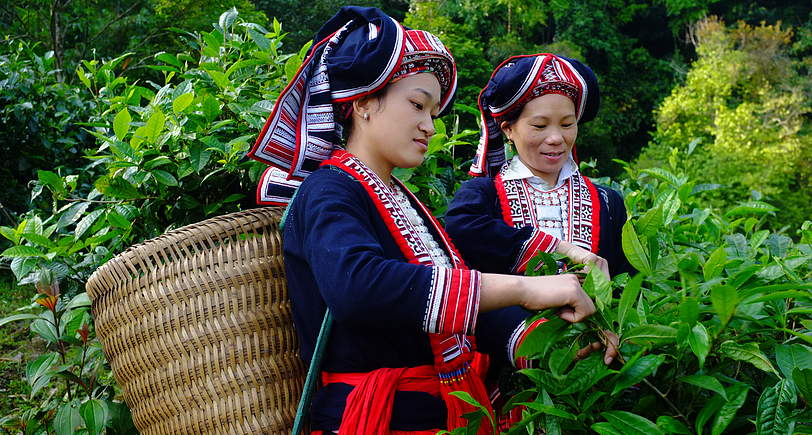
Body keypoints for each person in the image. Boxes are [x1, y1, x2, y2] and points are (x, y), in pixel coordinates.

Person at [248, 11, 612, 433]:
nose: (428, 125)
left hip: (438, 414)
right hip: (378, 419)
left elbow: (459, 312)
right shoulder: (329, 190)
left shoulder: (401, 199)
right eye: (417, 105)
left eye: (434, 113)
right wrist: (525, 286)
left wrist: (557, 344)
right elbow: (358, 285)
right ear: (364, 101)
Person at [446, 53, 633, 279]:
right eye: (539, 125)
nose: (555, 138)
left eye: (567, 124)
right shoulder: (483, 196)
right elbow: (461, 229)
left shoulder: (608, 203)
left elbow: (627, 284)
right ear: (508, 129)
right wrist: (561, 250)